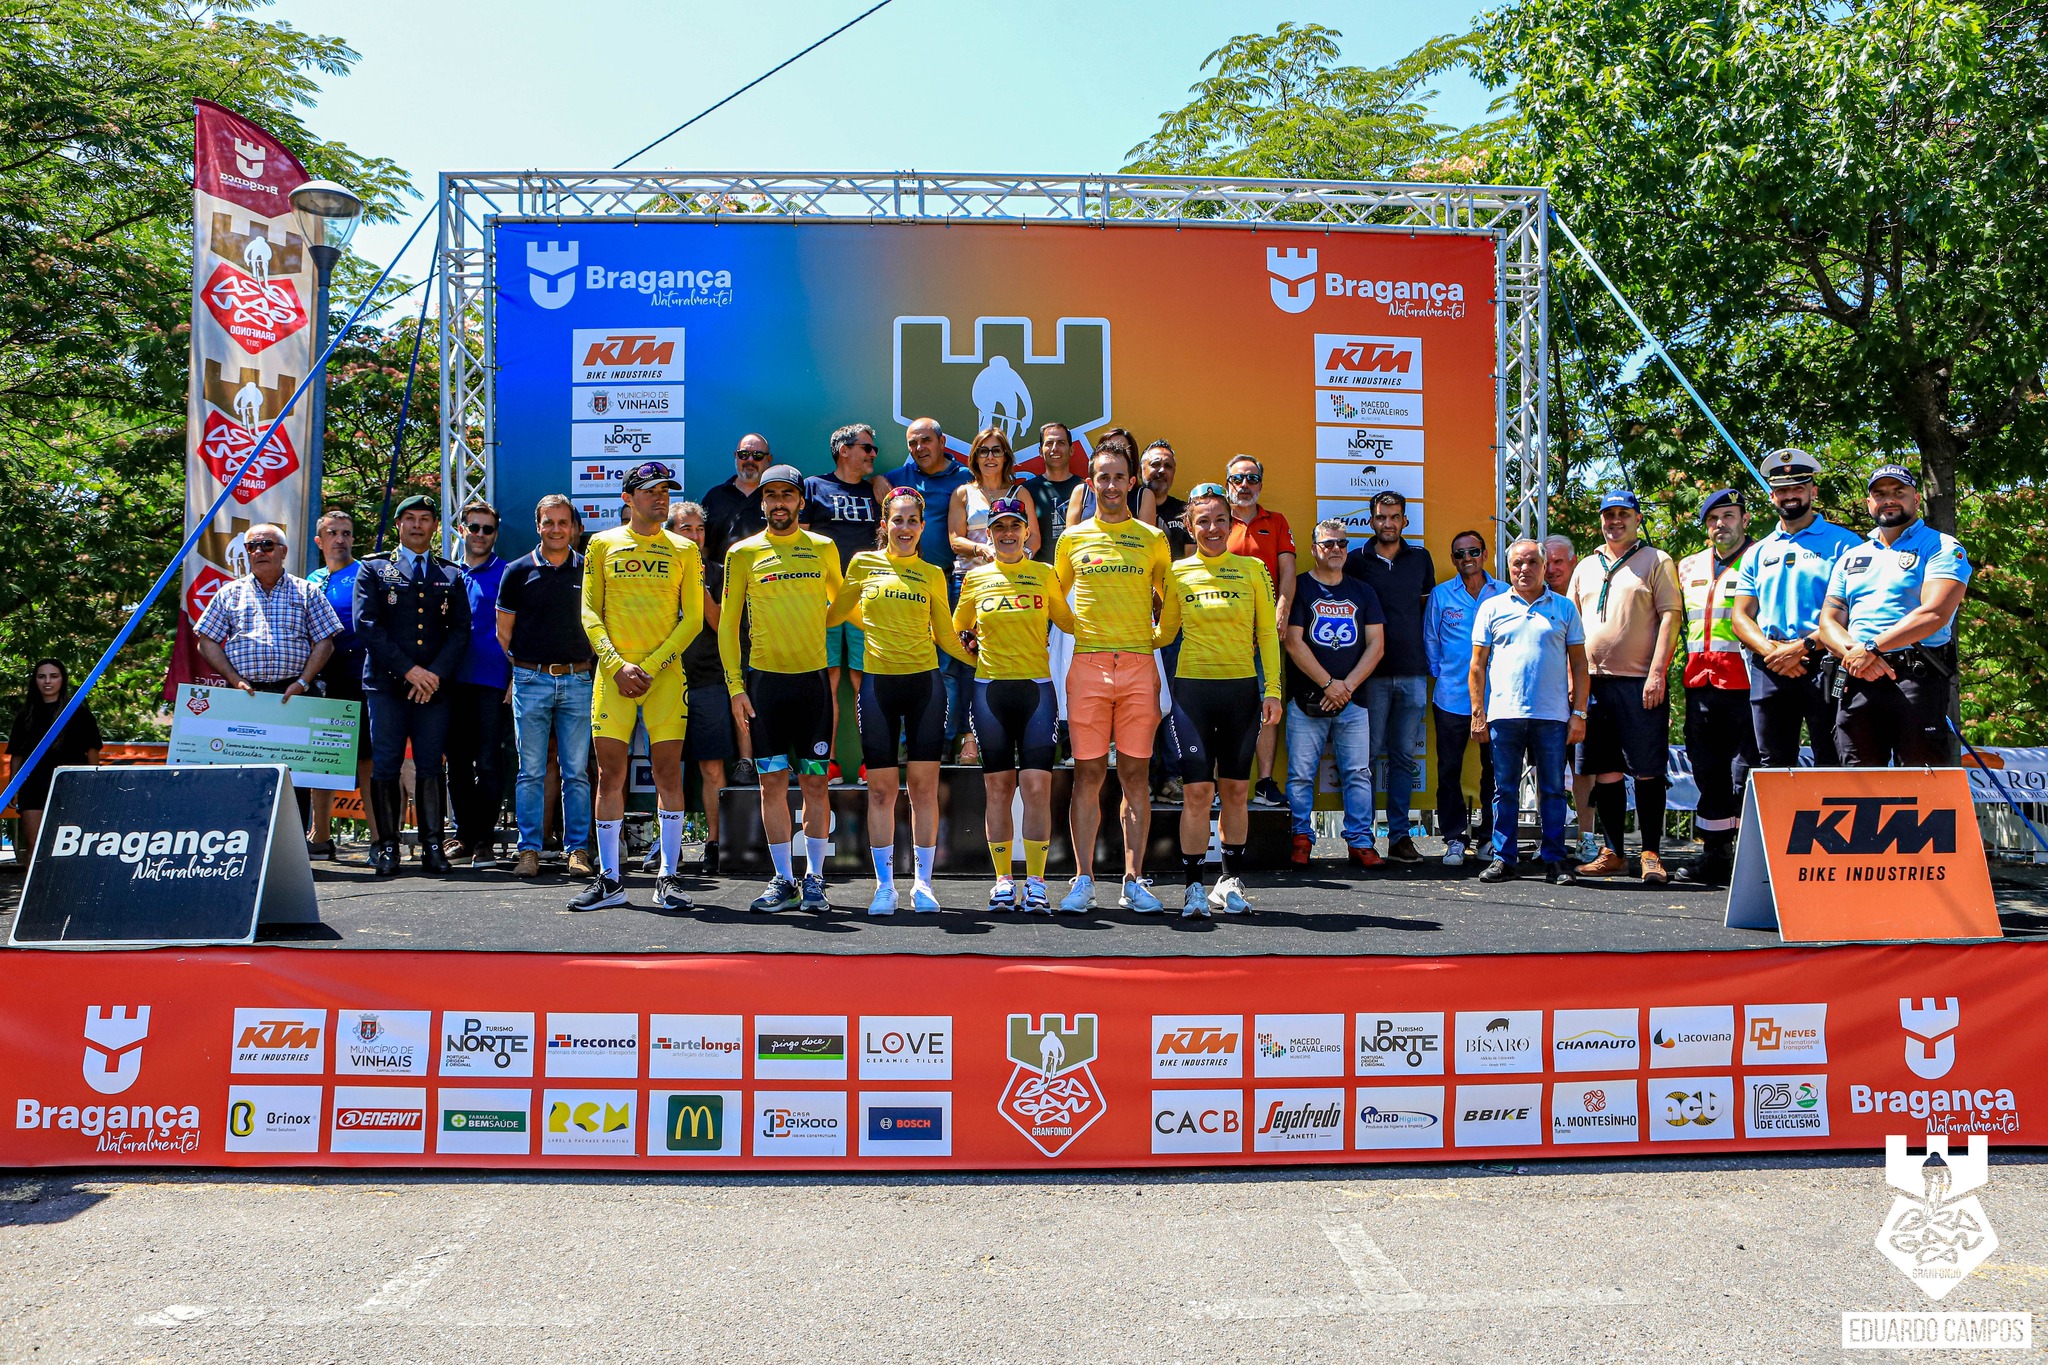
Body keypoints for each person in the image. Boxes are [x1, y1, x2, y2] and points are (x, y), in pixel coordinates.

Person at [832, 486, 978, 914]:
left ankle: (923, 884)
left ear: (922, 526)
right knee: (880, 792)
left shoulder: (933, 573)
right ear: (884, 524)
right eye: (897, 519)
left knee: (923, 790)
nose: (905, 527)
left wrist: (980, 659)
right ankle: (884, 887)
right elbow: (836, 613)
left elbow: (945, 635)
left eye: (913, 520)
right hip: (878, 687)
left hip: (925, 688)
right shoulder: (863, 564)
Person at [1053, 443, 1180, 913]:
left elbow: (1172, 596)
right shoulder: (1072, 539)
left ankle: (1133, 878)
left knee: (1135, 777)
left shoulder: (1152, 537)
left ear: (1133, 482)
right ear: (1090, 483)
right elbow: (1054, 598)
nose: (1110, 485)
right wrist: (1077, 629)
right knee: (1087, 774)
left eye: (1118, 477)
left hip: (1137, 667)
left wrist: (1156, 638)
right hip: (1087, 666)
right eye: (1101, 477)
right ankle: (1083, 879)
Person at [574, 461, 704, 912]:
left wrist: (647, 666)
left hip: (663, 676)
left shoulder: (685, 549)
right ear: (628, 498)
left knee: (669, 773)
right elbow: (590, 613)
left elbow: (693, 620)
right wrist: (615, 665)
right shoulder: (600, 544)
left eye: (666, 489)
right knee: (610, 775)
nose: (661, 497)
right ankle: (610, 881)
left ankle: (668, 876)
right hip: (614, 677)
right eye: (651, 490)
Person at [722, 463, 846, 912]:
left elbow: (842, 603)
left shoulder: (824, 548)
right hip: (764, 687)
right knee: (770, 785)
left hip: (812, 684)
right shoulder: (743, 553)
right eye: (771, 495)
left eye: (787, 495)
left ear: (800, 501)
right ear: (762, 502)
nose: (779, 503)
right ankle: (782, 879)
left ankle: (814, 879)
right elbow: (728, 626)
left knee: (816, 785)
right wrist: (736, 686)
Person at [1162, 484, 1282, 917]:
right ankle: (1194, 887)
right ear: (1190, 528)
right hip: (1193, 691)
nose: (1212, 529)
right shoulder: (1176, 572)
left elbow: (1267, 634)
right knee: (1197, 792)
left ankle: (1229, 882)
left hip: (1241, 691)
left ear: (1231, 523)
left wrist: (1273, 690)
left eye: (1219, 520)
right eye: (1203, 521)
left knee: (1235, 791)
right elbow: (1163, 634)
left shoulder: (1252, 569)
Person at [956, 496, 1077, 914]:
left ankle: (1038, 883)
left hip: (1037, 692)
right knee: (998, 787)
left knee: (1038, 786)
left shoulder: (1044, 574)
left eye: (1015, 526)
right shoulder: (975, 579)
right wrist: (978, 654)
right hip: (990, 692)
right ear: (988, 534)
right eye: (999, 527)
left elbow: (1068, 621)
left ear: (1027, 532)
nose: (1007, 534)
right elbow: (957, 631)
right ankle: (1004, 881)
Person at [1816, 464, 1972, 767]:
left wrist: (1872, 648)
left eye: (1898, 492)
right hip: (1857, 677)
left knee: (1921, 787)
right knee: (1856, 787)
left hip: (1915, 679)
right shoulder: (1851, 557)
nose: (1889, 499)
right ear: (1869, 503)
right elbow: (1828, 622)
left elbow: (1935, 613)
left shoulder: (1941, 546)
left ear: (1916, 498)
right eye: (1880, 493)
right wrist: (1856, 656)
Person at [194, 520, 344, 836]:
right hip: (247, 697)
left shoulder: (307, 591)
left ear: (283, 551)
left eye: (267, 545)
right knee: (245, 777)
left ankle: (296, 853)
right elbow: (206, 640)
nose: (259, 551)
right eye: (252, 546)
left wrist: (303, 681)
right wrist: (234, 679)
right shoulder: (229, 593)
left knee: (296, 779)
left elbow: (326, 641)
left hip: (295, 695)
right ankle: (247, 846)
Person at [1566, 490, 1683, 884]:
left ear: (1636, 518)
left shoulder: (1657, 560)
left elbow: (1670, 617)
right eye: (1608, 515)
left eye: (1623, 514)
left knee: (1648, 771)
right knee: (1606, 773)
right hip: (1594, 685)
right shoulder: (1585, 566)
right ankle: (1614, 852)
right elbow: (1571, 629)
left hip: (1640, 683)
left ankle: (1650, 851)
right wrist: (1572, 680)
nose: (1615, 521)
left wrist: (1657, 672)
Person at [353, 496, 470, 877]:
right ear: (399, 525)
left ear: (436, 526)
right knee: (385, 765)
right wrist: (410, 672)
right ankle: (387, 847)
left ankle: (433, 846)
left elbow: (459, 631)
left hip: (434, 688)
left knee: (430, 766)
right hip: (387, 686)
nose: (417, 525)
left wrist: (432, 674)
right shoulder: (374, 569)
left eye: (424, 519)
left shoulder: (450, 573)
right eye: (409, 519)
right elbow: (367, 625)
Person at [1729, 448, 1864, 769]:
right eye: (1782, 490)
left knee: (1833, 759)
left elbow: (1854, 611)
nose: (1790, 496)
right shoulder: (1756, 552)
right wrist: (1771, 651)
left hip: (1826, 662)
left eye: (1798, 488)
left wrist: (1801, 648)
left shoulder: (1846, 544)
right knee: (1772, 764)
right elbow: (1740, 616)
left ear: (1812, 491)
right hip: (1770, 665)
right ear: (1772, 496)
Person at [1468, 539, 1589, 884]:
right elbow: (1477, 666)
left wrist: (1579, 713)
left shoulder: (1564, 608)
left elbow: (1580, 666)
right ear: (1509, 568)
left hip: (1552, 716)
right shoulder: (1491, 607)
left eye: (1532, 562)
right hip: (1504, 714)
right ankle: (1503, 858)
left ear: (1544, 564)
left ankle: (1554, 859)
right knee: (1503, 789)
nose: (1525, 569)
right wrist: (1478, 712)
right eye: (1518, 563)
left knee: (1552, 790)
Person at [495, 494, 597, 880]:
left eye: (563, 522)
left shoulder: (589, 570)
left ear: (574, 527)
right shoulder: (517, 570)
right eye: (549, 522)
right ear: (538, 525)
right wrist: (525, 670)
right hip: (530, 679)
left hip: (578, 679)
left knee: (576, 772)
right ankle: (529, 851)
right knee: (531, 772)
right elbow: (503, 633)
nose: (556, 529)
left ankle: (577, 851)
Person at [1283, 518, 1385, 868]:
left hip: (1353, 701)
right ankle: (1300, 837)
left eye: (1342, 543)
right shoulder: (1298, 588)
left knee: (1358, 773)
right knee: (1300, 774)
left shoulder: (1363, 591)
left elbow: (1376, 646)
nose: (1337, 549)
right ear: (1313, 549)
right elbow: (1293, 642)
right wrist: (1329, 684)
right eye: (1328, 544)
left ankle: (1359, 840)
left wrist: (1346, 687)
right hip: (1307, 700)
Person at [1344, 492, 1435, 862]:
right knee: (1364, 760)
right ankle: (1361, 839)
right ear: (1371, 521)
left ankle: (1399, 837)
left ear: (1405, 522)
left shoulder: (1421, 559)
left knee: (1401, 759)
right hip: (1371, 676)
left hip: (1413, 672)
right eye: (1382, 517)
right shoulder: (1354, 561)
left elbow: (1427, 613)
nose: (1388, 523)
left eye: (1395, 517)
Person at [1672, 489, 1757, 885]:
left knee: (1746, 773)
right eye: (1713, 519)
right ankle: (1715, 854)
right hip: (1699, 681)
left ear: (1744, 519)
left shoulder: (1762, 559)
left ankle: (1752, 856)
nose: (1720, 524)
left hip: (1748, 682)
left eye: (1728, 515)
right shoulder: (1688, 566)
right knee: (1708, 772)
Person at [949, 427, 1041, 765]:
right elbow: (954, 539)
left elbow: (1034, 540)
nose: (990, 457)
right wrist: (982, 549)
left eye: (996, 450)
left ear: (1006, 457)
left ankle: (1015, 737)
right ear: (975, 457)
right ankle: (969, 739)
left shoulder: (1020, 491)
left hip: (1013, 583)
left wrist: (1015, 563)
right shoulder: (963, 492)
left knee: (1012, 658)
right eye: (984, 451)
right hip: (968, 581)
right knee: (967, 661)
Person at [886, 417, 976, 755]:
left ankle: (940, 743)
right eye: (912, 443)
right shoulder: (898, 478)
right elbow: (879, 487)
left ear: (942, 442)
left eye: (925, 441)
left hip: (949, 582)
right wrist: (880, 483)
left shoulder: (966, 477)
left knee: (948, 667)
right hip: (906, 584)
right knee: (913, 666)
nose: (918, 448)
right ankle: (912, 745)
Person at [804, 423, 889, 782]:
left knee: (862, 680)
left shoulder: (878, 489)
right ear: (844, 449)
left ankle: (873, 762)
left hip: (865, 596)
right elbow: (801, 538)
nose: (872, 455)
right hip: (821, 596)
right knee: (825, 679)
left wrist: (882, 491)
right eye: (867, 448)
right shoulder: (813, 486)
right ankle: (826, 763)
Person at [1424, 530, 1506, 867]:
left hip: (1499, 700)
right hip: (1452, 699)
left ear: (1485, 554)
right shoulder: (1441, 595)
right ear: (1453, 559)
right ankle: (1455, 838)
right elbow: (1430, 641)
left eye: (1473, 551)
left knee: (1496, 773)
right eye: (1459, 554)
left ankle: (1489, 839)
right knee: (1449, 772)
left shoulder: (1505, 593)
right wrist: (1443, 674)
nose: (1466, 558)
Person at [1218, 456, 1295, 809]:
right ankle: (1220, 787)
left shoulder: (1275, 522)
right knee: (1224, 708)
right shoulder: (1218, 521)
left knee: (1270, 703)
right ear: (1228, 483)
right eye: (1237, 478)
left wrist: (1281, 612)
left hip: (1265, 632)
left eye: (1252, 478)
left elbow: (1287, 572)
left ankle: (1264, 783)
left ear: (1261, 484)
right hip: (1224, 633)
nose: (1244, 485)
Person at [665, 501, 734, 875]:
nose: (694, 536)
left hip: (709, 681)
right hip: (665, 683)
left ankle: (714, 843)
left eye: (699, 529)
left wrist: (697, 585)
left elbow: (724, 626)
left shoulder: (720, 573)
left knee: (711, 769)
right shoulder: (655, 571)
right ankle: (669, 849)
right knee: (666, 770)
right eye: (685, 529)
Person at [444, 501, 510, 866]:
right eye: (474, 527)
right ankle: (463, 835)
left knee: (488, 762)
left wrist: (514, 676)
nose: (481, 534)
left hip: (492, 681)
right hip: (451, 683)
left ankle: (484, 839)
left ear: (495, 534)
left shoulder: (506, 573)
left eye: (488, 529)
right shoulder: (447, 575)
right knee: (456, 763)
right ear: (462, 531)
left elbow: (521, 631)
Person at [306, 509, 376, 857]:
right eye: (333, 533)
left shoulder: (365, 573)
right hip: (320, 681)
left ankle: (380, 840)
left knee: (367, 760)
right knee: (322, 759)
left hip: (360, 677)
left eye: (346, 533)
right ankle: (319, 837)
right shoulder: (311, 579)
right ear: (320, 540)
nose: (340, 539)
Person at [6, 659, 103, 857]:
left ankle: (68, 888)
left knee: (66, 848)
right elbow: (17, 754)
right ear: (35, 681)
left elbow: (92, 751)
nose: (47, 681)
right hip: (32, 788)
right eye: (41, 677)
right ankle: (34, 889)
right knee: (35, 847)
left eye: (53, 676)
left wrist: (93, 784)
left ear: (62, 680)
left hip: (71, 786)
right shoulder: (25, 715)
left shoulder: (79, 713)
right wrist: (13, 787)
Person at [1544, 532, 1595, 860]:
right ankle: (1550, 840)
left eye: (1558, 561)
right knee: (1546, 772)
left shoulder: (1588, 600)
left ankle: (1586, 837)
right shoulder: (1532, 600)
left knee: (1583, 770)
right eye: (1545, 562)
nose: (1551, 569)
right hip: (1545, 702)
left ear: (1573, 561)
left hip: (1582, 700)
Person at [700, 432, 772, 567]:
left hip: (765, 581)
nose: (750, 460)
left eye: (757, 456)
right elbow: (704, 547)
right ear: (735, 456)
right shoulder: (715, 497)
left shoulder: (775, 498)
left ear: (769, 459)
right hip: (721, 582)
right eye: (743, 454)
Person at [1024, 421, 1086, 567]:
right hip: (1039, 577)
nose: (1055, 448)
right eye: (1049, 443)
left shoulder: (1086, 489)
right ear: (1040, 451)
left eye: (1061, 443)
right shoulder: (1026, 491)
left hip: (1078, 575)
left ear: (1071, 450)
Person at [1142, 441, 1191, 560]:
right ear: (1140, 471)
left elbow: (1191, 557)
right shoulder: (1126, 507)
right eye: (1155, 464)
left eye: (1168, 466)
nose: (1162, 470)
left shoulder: (1184, 512)